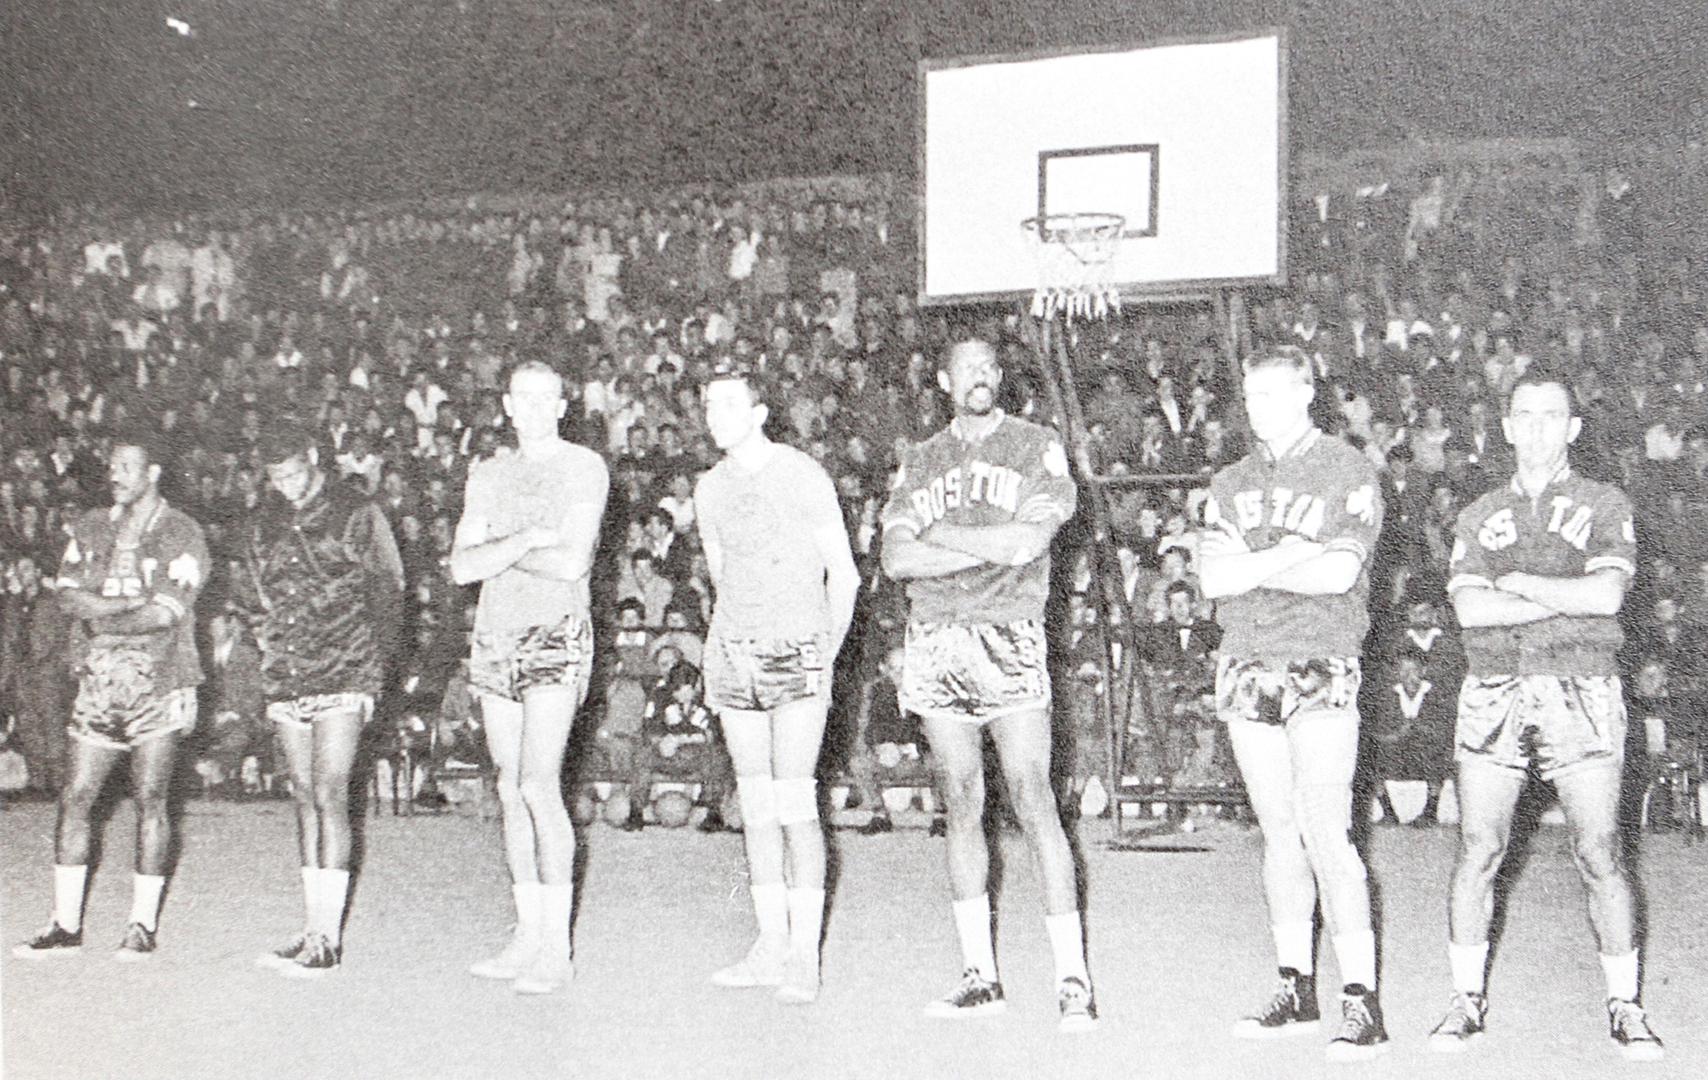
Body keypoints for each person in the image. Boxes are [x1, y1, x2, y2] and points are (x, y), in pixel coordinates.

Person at [1429, 366, 1662, 1060]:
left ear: (1573, 427)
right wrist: (1565, 594)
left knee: (1599, 850)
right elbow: (1470, 611)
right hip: (1494, 685)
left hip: (1581, 684)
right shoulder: (1478, 513)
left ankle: (1625, 1004)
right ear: (1506, 428)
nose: (1536, 429)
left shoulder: (1604, 501)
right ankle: (1464, 999)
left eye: (1551, 415)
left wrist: (1523, 583)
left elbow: (1607, 598)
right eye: (1523, 416)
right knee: (1479, 848)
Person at [878, 338, 1095, 1032]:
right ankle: (980, 976)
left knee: (1034, 798)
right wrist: (984, 543)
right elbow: (895, 557)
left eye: (989, 367)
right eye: (967, 367)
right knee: (962, 800)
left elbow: (1027, 543)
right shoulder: (922, 458)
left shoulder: (1035, 445)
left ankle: (1073, 979)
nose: (981, 375)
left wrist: (943, 535)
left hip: (1008, 632)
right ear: (944, 381)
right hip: (938, 638)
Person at [1198, 345, 1388, 1061]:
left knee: (1326, 832)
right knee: (1278, 832)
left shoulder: (1347, 468)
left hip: (1320, 659)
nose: (1259, 408)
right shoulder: (1230, 480)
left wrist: (1254, 564)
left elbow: (1339, 573)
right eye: (1251, 396)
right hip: (1247, 659)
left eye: (1274, 394)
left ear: (1308, 393)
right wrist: (1291, 553)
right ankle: (1295, 984)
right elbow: (1213, 580)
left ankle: (1361, 998)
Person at [696, 356, 859, 1005]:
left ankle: (802, 954)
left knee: (795, 803)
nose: (716, 416)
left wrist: (825, 655)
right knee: (756, 804)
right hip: (735, 655)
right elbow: (722, 577)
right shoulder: (710, 489)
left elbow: (844, 575)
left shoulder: (802, 475)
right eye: (709, 405)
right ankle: (769, 942)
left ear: (760, 413)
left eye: (729, 404)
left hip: (798, 655)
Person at [13, 428, 208, 961]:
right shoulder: (92, 525)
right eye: (112, 466)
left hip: (158, 682)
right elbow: (67, 595)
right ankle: (64, 924)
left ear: (153, 473)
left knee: (151, 799)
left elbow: (166, 612)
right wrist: (120, 609)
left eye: (126, 467)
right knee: (76, 796)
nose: (114, 475)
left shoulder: (181, 530)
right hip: (97, 683)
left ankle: (141, 924)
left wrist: (101, 615)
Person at [450, 360, 607, 995]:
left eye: (548, 398)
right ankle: (527, 932)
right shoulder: (488, 473)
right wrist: (522, 541)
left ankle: (556, 948)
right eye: (525, 398)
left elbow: (572, 561)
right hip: (495, 636)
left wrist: (499, 549)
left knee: (541, 785)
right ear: (508, 405)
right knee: (510, 787)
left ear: (563, 406)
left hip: (555, 635)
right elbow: (461, 567)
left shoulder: (583, 467)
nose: (537, 408)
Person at [237, 420, 405, 978]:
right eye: (275, 478)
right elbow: (252, 597)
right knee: (304, 794)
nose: (285, 486)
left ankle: (327, 940)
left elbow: (389, 592)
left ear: (314, 458)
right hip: (289, 673)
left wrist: (373, 674)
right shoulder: (263, 521)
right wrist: (267, 648)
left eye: (293, 474)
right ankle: (312, 925)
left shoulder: (357, 511)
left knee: (332, 790)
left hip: (345, 667)